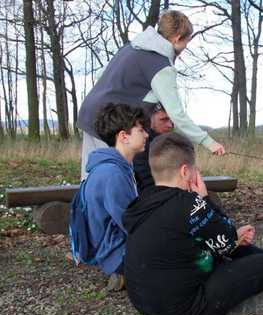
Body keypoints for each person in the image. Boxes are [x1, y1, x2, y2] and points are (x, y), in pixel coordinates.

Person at [122, 132, 263, 315]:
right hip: (181, 309)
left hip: (146, 303)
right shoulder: (189, 205)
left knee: (230, 245)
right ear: (185, 172)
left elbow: (217, 239)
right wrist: (204, 198)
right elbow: (227, 238)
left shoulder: (144, 200)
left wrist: (233, 238)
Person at [77, 10, 224, 180]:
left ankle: (84, 206)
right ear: (176, 38)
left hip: (89, 112)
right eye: (186, 42)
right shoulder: (161, 66)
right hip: (112, 123)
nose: (185, 47)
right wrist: (209, 142)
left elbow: (104, 76)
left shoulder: (131, 48)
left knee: (90, 175)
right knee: (117, 178)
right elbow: (177, 115)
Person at [69, 103, 149, 291]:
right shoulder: (113, 174)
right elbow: (132, 224)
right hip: (114, 254)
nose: (146, 134)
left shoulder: (115, 167)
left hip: (109, 248)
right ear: (123, 136)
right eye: (140, 130)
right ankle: (122, 272)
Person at [133, 102, 174, 193]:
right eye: (164, 119)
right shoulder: (141, 144)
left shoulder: (169, 141)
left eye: (172, 120)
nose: (170, 125)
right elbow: (147, 183)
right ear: (150, 119)